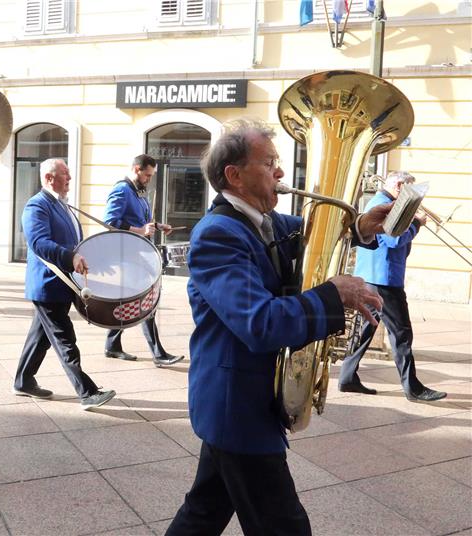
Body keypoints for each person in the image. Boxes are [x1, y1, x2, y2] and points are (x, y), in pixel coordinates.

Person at [166, 119, 392, 536]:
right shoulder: (218, 234)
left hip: (237, 401)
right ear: (234, 175)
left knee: (203, 512)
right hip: (239, 405)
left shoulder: (267, 222)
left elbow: (314, 235)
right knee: (284, 527)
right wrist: (331, 294)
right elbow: (259, 322)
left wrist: (360, 226)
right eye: (269, 163)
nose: (281, 173)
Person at [13, 158, 116, 410]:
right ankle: (87, 392)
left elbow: (73, 243)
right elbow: (39, 243)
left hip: (62, 284)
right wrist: (71, 257)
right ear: (49, 178)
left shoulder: (62, 205)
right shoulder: (37, 205)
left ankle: (23, 380)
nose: (69, 178)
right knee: (63, 338)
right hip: (48, 285)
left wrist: (85, 259)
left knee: (41, 337)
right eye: (65, 174)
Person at [339, 171, 447, 401]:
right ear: (399, 186)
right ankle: (413, 388)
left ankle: (347, 378)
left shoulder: (382, 202)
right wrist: (416, 223)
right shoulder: (384, 204)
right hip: (384, 278)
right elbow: (393, 239)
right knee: (401, 334)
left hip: (373, 276)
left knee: (365, 329)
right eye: (409, 191)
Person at [102, 154, 185, 366]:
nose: (149, 179)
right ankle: (158, 353)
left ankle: (112, 345)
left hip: (137, 252)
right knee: (148, 300)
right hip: (127, 254)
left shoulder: (137, 192)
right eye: (147, 175)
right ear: (137, 169)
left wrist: (157, 226)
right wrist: (141, 230)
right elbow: (110, 222)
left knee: (132, 300)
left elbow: (141, 221)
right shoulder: (122, 190)